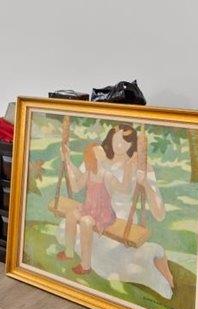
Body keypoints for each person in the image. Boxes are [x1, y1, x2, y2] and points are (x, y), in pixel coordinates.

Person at [56, 124, 175, 297]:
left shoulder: (141, 165)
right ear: (110, 137)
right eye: (116, 137)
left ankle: (155, 258)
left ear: (133, 144)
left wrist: (146, 183)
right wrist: (67, 161)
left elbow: (159, 214)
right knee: (65, 226)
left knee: (108, 259)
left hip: (121, 220)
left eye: (125, 140)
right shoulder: (97, 159)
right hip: (91, 212)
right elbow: (77, 185)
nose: (119, 143)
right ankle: (146, 257)